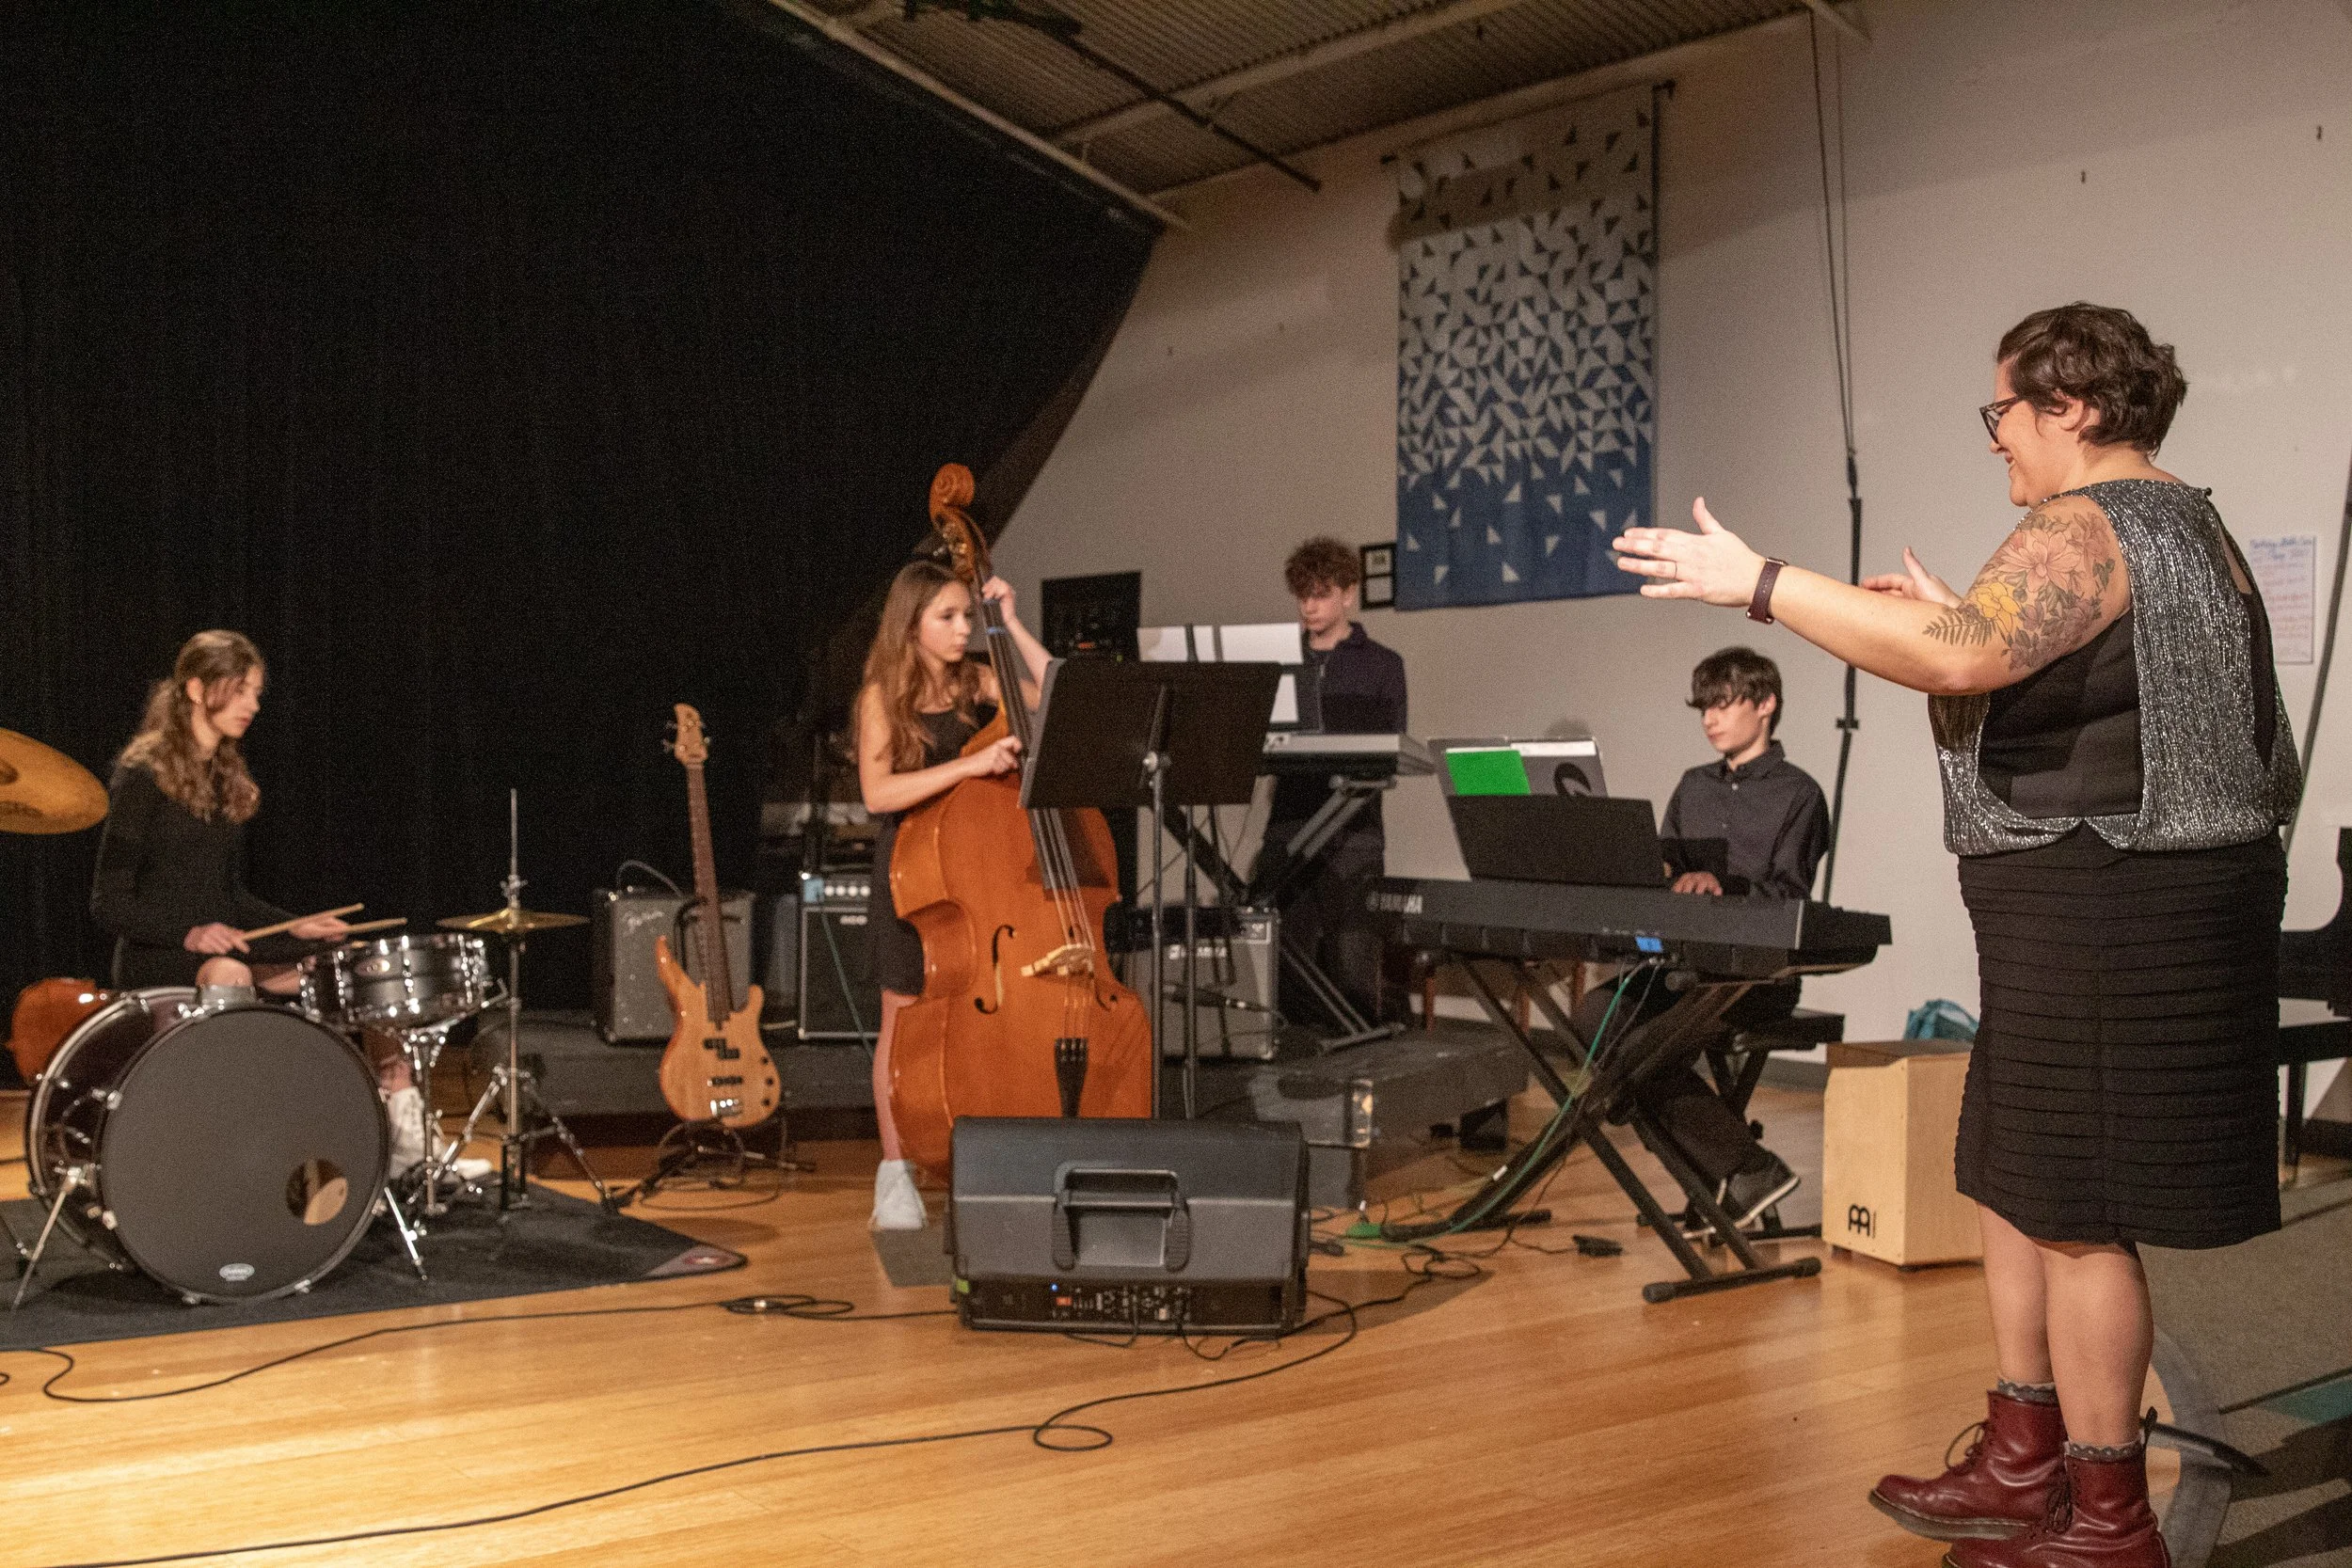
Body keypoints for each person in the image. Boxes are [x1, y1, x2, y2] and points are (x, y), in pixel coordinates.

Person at [1613, 303, 2296, 1568]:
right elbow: (2026, 658)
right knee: (2014, 1172)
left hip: (2113, 898)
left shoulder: (2092, 522)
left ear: (2073, 407)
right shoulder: (2183, 521)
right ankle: (2025, 1453)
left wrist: (1761, 583)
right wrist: (1966, 627)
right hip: (2091, 890)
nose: (1999, 443)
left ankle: (2106, 1517)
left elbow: (1963, 653)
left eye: (2006, 414)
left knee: (2081, 1206)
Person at [1582, 646, 1830, 1227]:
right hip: (1682, 965)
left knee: (1636, 1060)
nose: (1709, 719)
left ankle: (1729, 1174)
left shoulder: (1800, 795)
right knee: (1596, 1015)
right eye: (1703, 708)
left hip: (1755, 975)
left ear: (1765, 705)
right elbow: (1663, 871)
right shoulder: (1692, 786)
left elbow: (1789, 896)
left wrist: (1719, 883)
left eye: (1723, 704)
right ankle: (1741, 1171)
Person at [856, 561, 1046, 1230]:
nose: (964, 628)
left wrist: (1012, 623)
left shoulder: (977, 680)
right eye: (948, 617)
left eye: (968, 615)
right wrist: (968, 763)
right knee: (901, 1022)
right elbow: (877, 794)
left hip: (976, 872)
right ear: (910, 624)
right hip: (912, 873)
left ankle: (977, 1158)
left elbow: (1056, 693)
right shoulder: (883, 694)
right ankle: (894, 1175)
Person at [89, 631, 352, 997]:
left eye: (256, 694)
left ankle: (392, 1059)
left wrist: (296, 926)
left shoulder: (224, 778)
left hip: (219, 946)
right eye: (240, 691)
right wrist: (189, 934)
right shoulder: (143, 776)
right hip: (157, 952)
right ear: (197, 690)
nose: (253, 706)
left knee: (352, 963)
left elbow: (228, 896)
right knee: (230, 973)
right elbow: (108, 902)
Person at [1254, 536, 1407, 1029]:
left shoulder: (1383, 665)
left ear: (1348, 595)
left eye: (1320, 594)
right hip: (1291, 822)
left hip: (1353, 831)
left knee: (1354, 954)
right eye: (1302, 595)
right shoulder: (1277, 662)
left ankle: (1361, 1062)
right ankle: (1293, 1064)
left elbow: (1389, 750)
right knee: (1287, 953)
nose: (1309, 606)